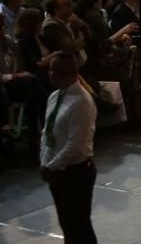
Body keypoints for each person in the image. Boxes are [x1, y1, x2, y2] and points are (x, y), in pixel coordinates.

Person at [40, 50, 98, 244]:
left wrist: (52, 165)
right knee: (67, 224)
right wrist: (44, 160)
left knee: (79, 225)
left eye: (52, 70)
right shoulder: (55, 97)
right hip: (57, 171)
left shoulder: (81, 102)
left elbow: (75, 144)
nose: (49, 74)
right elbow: (47, 131)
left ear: (64, 73)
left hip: (76, 172)